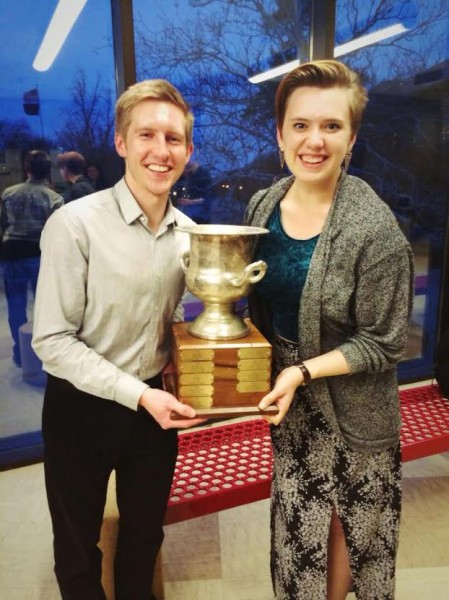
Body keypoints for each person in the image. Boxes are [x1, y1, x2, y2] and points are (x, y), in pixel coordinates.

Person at [243, 60, 414, 600]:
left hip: (355, 412)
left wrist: (300, 372)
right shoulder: (263, 206)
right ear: (280, 133)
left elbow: (384, 341)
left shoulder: (374, 228)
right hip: (294, 412)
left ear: (352, 136)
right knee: (297, 536)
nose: (314, 141)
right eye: (300, 125)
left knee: (347, 539)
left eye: (331, 126)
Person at [32, 79, 206, 600]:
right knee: (78, 544)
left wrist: (183, 362)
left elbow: (172, 311)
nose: (161, 150)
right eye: (146, 135)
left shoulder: (190, 234)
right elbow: (53, 341)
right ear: (121, 143)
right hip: (79, 409)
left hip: (154, 409)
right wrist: (139, 393)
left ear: (188, 151)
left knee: (145, 533)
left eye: (173, 139)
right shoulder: (74, 224)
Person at [0, 150, 63, 367]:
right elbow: (57, 232)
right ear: (48, 171)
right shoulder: (54, 198)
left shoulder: (8, 192)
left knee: (16, 305)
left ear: (27, 169)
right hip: (39, 253)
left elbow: (2, 224)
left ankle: (20, 353)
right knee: (44, 306)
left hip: (11, 253)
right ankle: (42, 354)